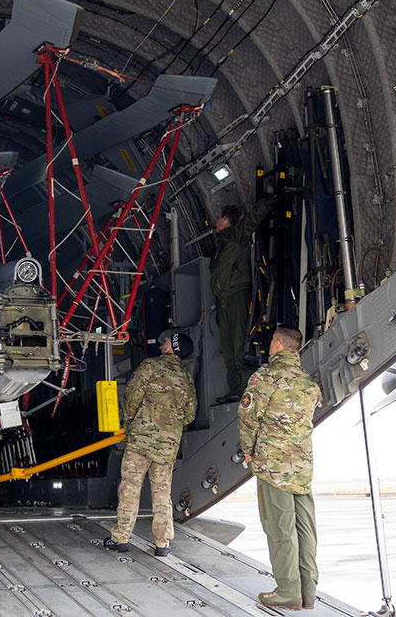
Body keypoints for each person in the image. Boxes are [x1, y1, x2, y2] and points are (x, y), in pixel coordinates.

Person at [238, 325, 322, 611]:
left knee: (279, 528)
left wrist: (248, 452)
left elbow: (248, 419)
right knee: (305, 529)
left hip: (273, 467)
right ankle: (307, 591)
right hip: (302, 467)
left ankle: (288, 591)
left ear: (277, 344)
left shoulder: (266, 377)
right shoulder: (308, 383)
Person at [104, 331, 196, 557]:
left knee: (130, 489)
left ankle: (121, 538)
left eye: (167, 340)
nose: (162, 341)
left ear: (171, 346)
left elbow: (132, 397)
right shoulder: (186, 378)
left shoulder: (150, 366)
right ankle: (163, 544)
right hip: (167, 447)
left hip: (141, 442)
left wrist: (132, 422)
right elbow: (189, 415)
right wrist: (170, 425)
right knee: (162, 494)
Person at [211, 197, 275, 404]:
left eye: (219, 218)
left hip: (236, 296)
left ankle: (248, 389)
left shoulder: (236, 237)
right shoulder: (221, 245)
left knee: (239, 346)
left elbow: (252, 220)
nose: (216, 222)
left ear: (224, 219)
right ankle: (235, 389)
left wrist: (268, 198)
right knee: (228, 350)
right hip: (223, 300)